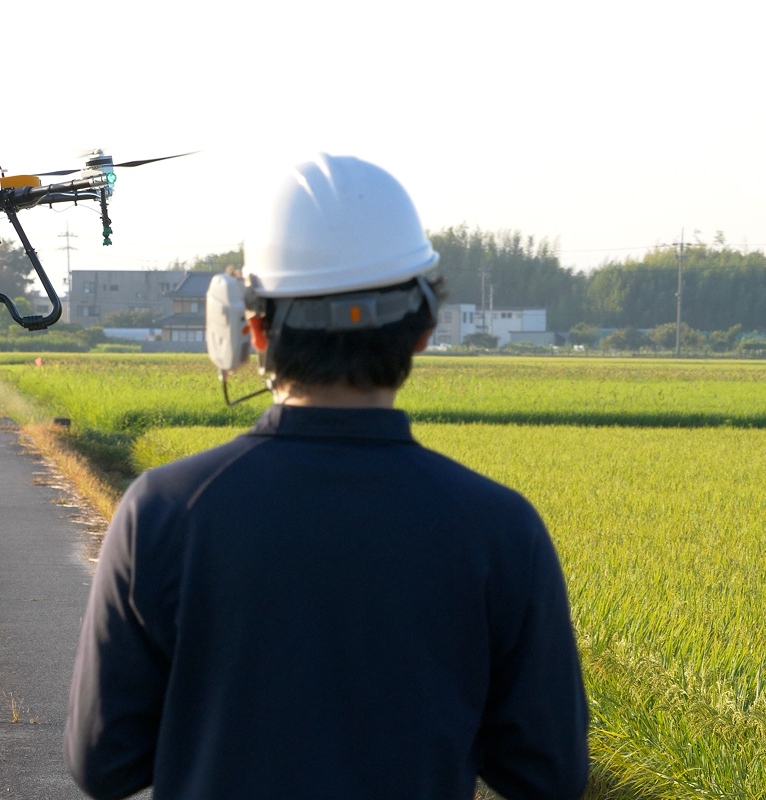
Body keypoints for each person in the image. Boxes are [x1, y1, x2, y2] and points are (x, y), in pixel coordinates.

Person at [65, 154, 589, 800]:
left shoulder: (166, 512)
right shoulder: (501, 529)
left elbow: (103, 763)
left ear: (249, 328)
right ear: (423, 327)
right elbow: (549, 772)